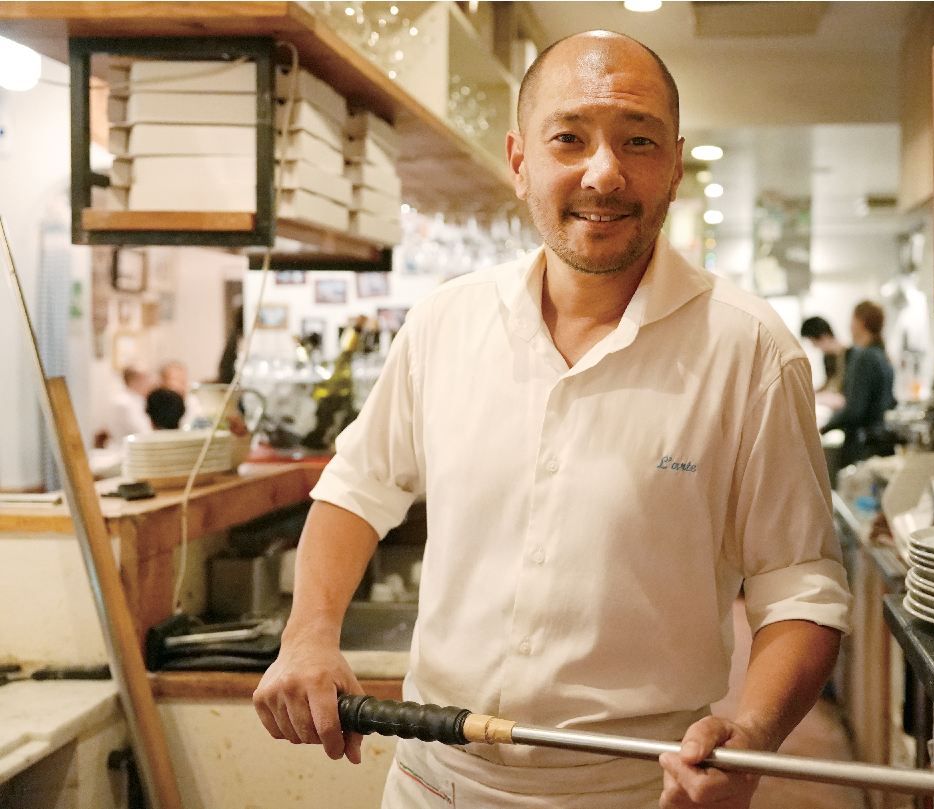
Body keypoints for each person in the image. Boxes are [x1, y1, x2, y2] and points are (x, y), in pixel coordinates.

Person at [253, 30, 850, 809]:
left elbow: (799, 584)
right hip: (433, 778)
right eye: (569, 138)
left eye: (638, 141)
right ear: (519, 159)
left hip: (635, 787)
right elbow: (358, 488)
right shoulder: (445, 323)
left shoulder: (752, 350)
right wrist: (307, 633)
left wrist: (756, 731)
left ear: (675, 163)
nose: (604, 172)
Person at [819, 301, 897, 468]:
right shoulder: (881, 355)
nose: (849, 326)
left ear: (860, 323)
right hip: (877, 441)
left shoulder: (863, 358)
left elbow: (854, 409)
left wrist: (824, 428)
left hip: (862, 446)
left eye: (851, 320)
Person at [800, 316, 849, 412]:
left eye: (813, 342)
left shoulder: (850, 355)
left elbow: (843, 386)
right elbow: (829, 381)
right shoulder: (828, 357)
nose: (814, 346)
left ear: (824, 336)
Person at [108, 367, 154, 443]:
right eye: (146, 378)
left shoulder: (140, 400)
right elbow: (141, 432)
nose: (151, 382)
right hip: (126, 447)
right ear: (133, 381)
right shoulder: (123, 403)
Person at [159, 360, 204, 428]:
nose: (182, 383)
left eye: (183, 379)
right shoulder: (156, 403)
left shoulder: (193, 401)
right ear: (163, 381)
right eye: (176, 379)